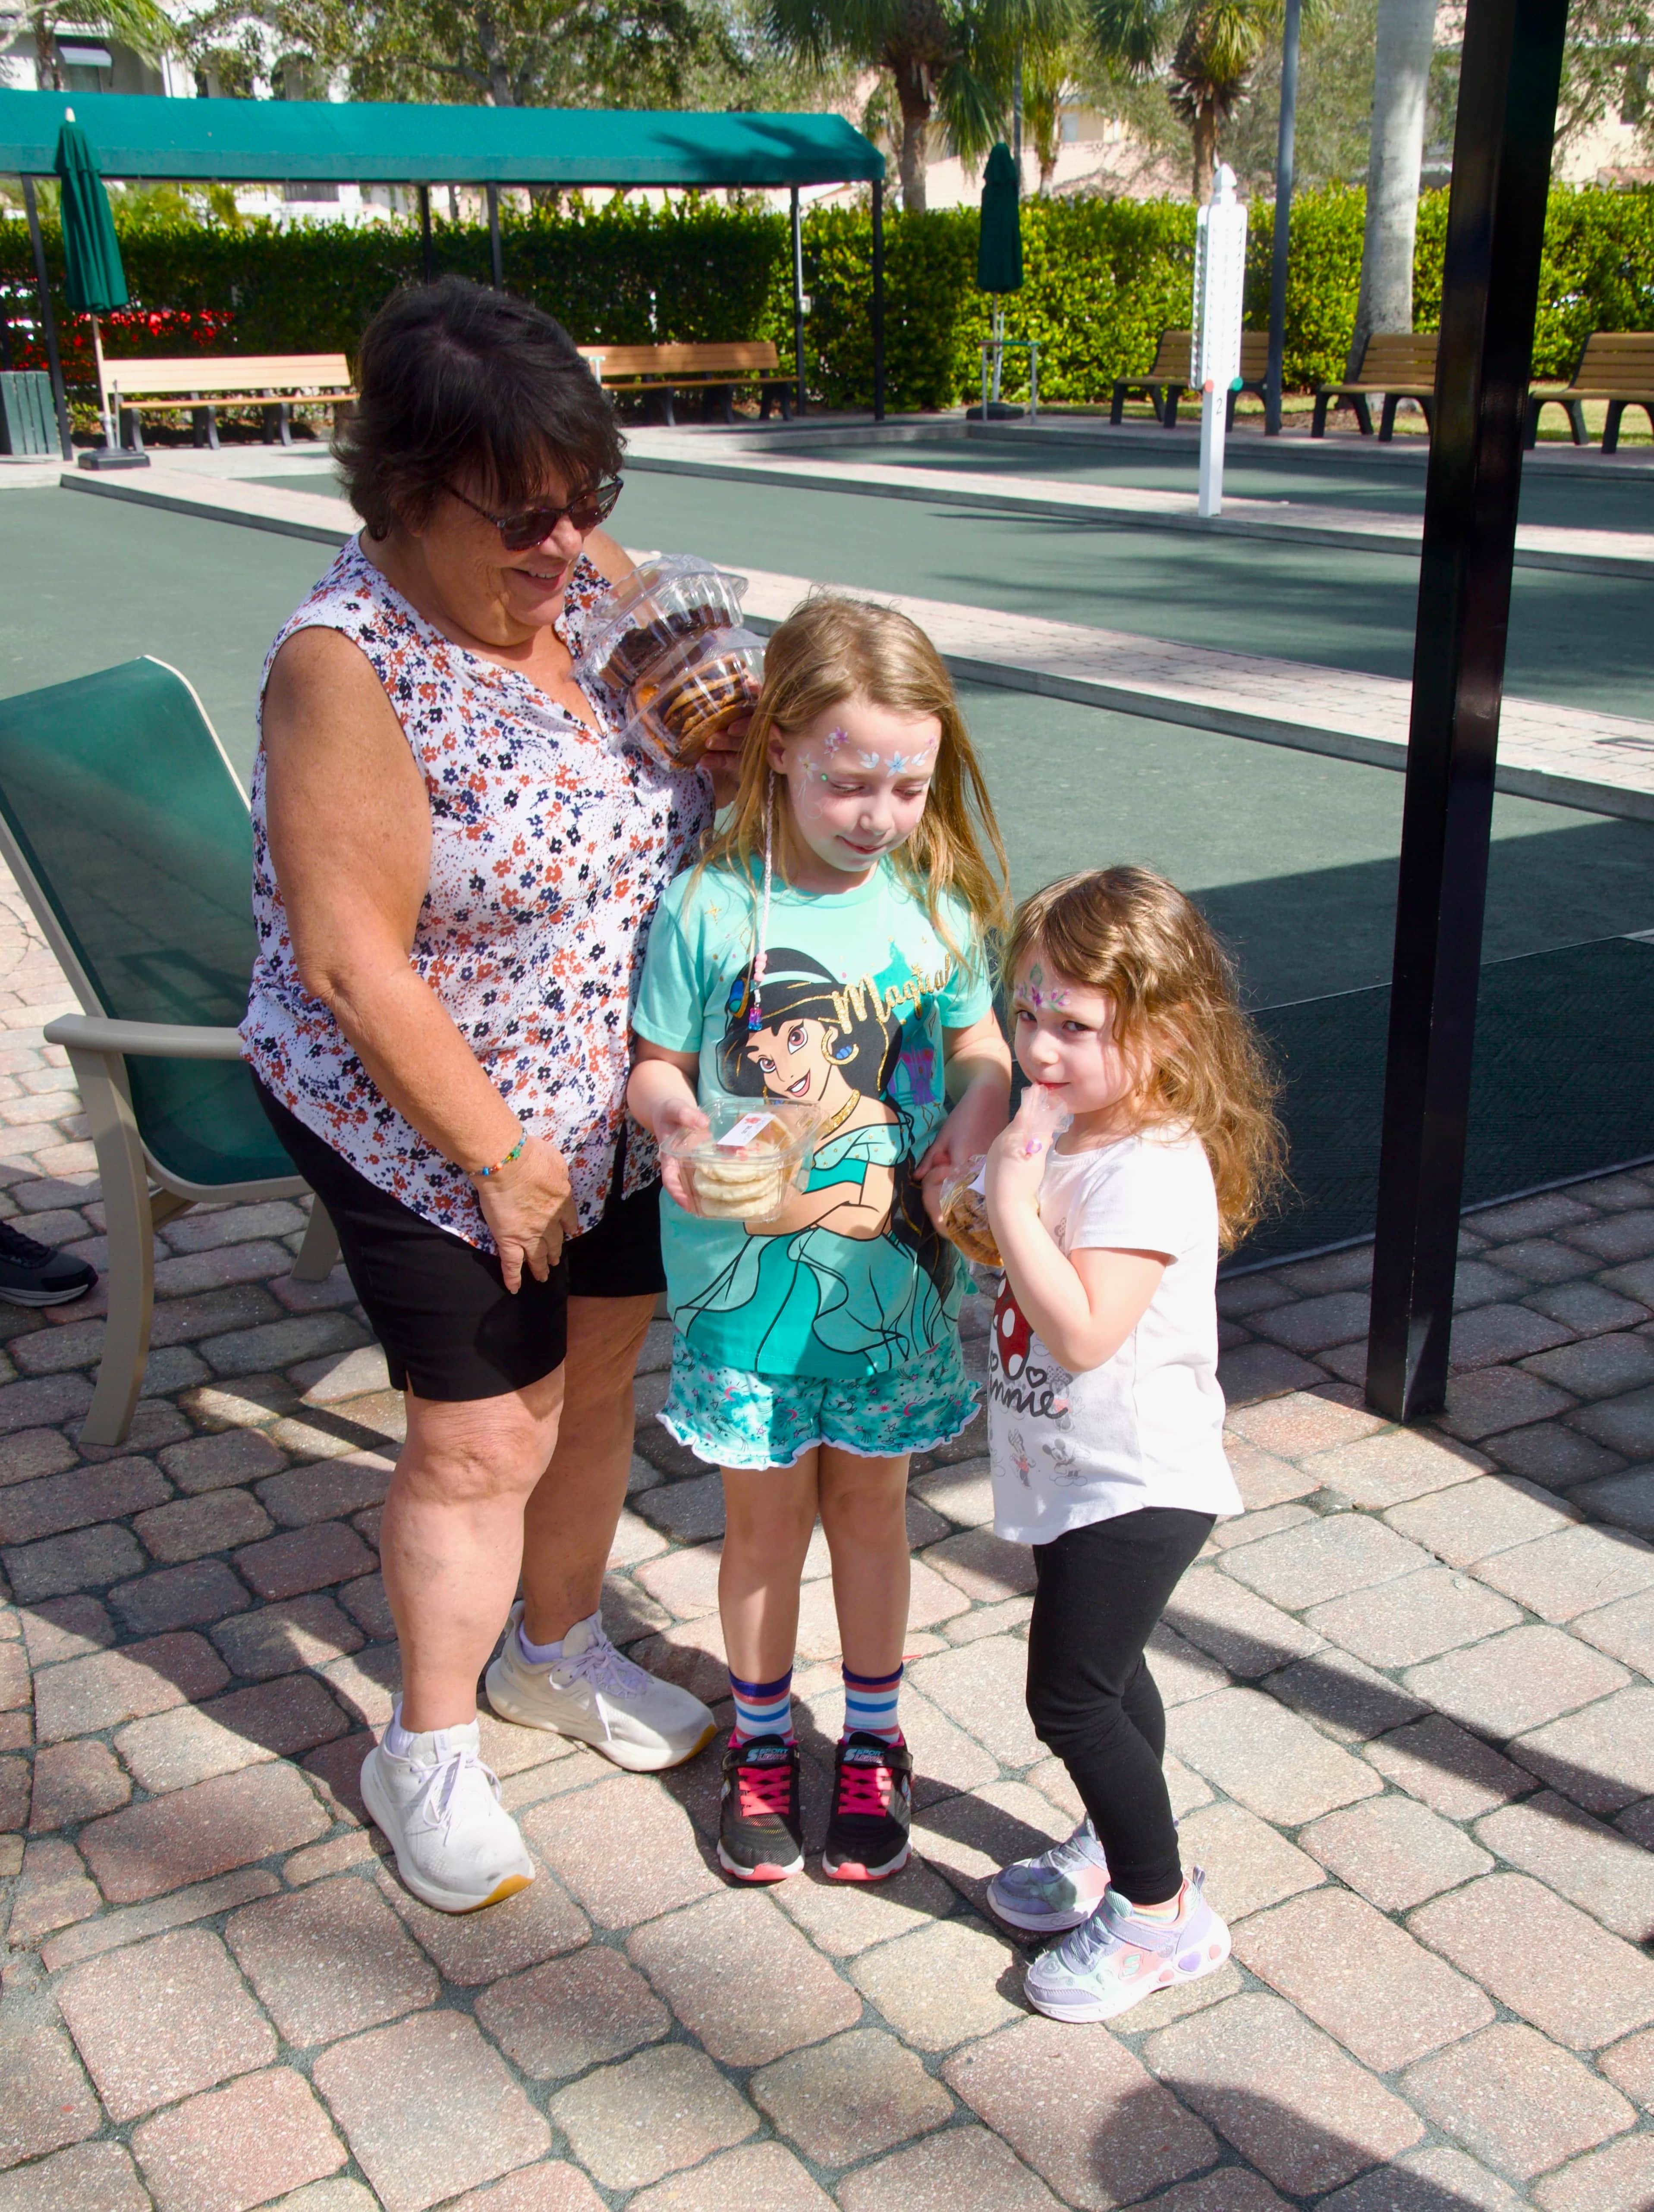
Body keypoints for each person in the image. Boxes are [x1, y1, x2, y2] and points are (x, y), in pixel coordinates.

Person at [243, 275, 722, 1915]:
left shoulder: (582, 580)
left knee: (597, 1380)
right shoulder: (344, 665)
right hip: (428, 1105)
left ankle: (553, 1649)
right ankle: (425, 1745)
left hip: (616, 1091)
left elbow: (722, 729)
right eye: (522, 514)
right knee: (481, 1436)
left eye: (589, 496)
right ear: (402, 490)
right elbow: (351, 963)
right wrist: (501, 1156)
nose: (566, 542)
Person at [628, 596, 1012, 1885]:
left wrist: (972, 1122)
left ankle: (873, 1737)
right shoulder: (709, 908)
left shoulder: (939, 907)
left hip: (896, 1286)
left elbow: (980, 1045)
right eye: (850, 782)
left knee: (871, 1515)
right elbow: (655, 1061)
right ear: (780, 746)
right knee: (758, 1530)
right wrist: (679, 1127)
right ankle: (757, 1740)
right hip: (741, 1295)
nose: (879, 815)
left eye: (908, 786)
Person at [980, 866, 1283, 2021]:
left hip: (1139, 1483)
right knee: (1110, 1676)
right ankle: (1115, 1845)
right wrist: (994, 1195)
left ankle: (1161, 1916)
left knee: (1068, 1698)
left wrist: (1010, 1204)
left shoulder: (1149, 1166)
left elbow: (1086, 1331)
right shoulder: (1073, 1129)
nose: (1037, 1048)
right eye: (1027, 1013)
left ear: (1164, 1032)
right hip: (1073, 1468)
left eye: (1074, 1025)